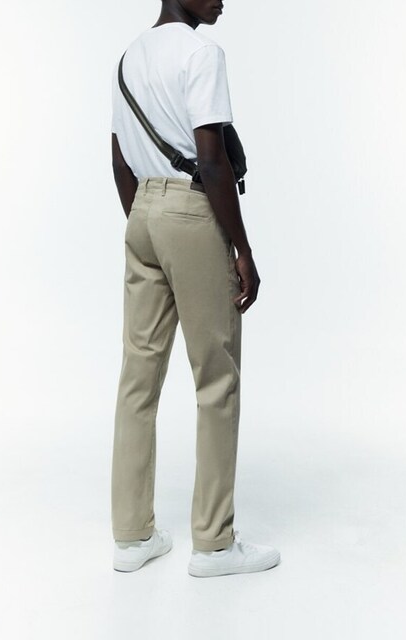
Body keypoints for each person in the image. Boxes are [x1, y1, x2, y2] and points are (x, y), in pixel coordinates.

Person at [110, 0, 280, 577]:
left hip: (142, 214)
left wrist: (147, 219)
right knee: (216, 378)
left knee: (138, 378)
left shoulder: (129, 57)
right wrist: (242, 249)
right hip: (191, 211)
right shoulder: (202, 52)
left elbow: (119, 157)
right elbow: (211, 160)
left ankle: (132, 538)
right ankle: (213, 544)